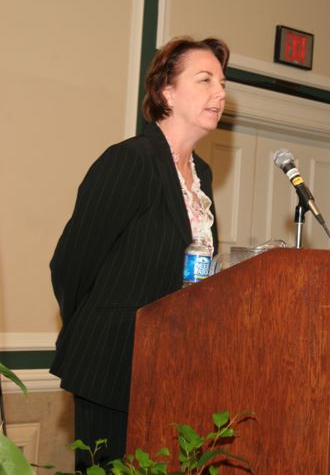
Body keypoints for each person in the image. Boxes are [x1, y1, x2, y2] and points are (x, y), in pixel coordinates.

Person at [49, 36, 229, 471]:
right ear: (166, 91)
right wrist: (104, 326)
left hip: (173, 363)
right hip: (112, 362)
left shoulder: (201, 175)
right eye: (204, 80)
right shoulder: (130, 159)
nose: (220, 93)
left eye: (223, 82)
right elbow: (71, 262)